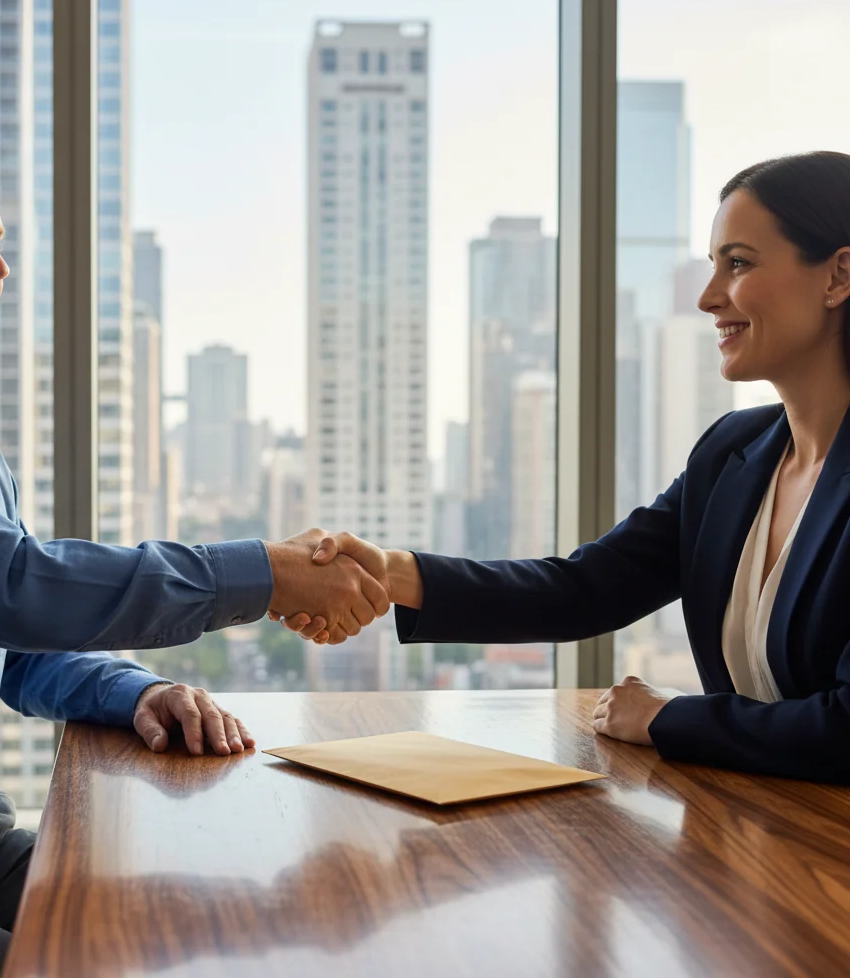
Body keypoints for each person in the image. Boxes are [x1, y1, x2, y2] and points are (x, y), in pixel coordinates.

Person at [0, 128, 389, 978]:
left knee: (187, 932)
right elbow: (16, 585)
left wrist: (137, 690)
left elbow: (11, 647)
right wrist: (264, 573)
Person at [279, 151, 850, 787]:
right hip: (758, 833)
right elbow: (588, 588)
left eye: (738, 263)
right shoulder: (732, 454)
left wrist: (668, 718)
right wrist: (394, 573)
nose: (708, 296)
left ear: (838, 275)